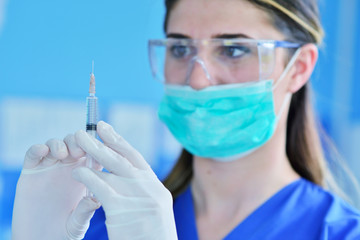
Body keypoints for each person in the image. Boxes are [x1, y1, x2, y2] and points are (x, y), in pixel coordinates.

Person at [11, 0, 360, 239]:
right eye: (180, 49)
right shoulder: (106, 220)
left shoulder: (340, 233)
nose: (197, 80)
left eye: (234, 49)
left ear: (298, 67)